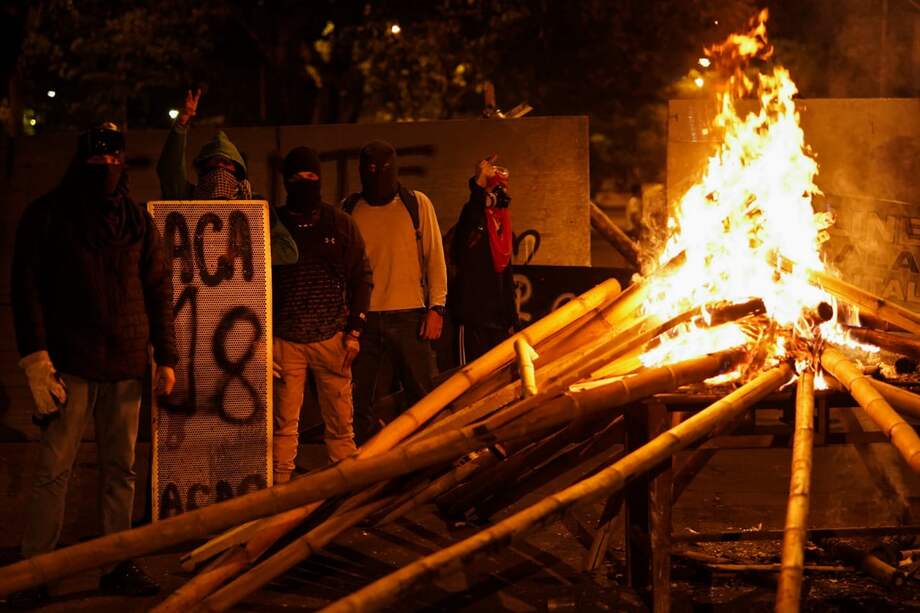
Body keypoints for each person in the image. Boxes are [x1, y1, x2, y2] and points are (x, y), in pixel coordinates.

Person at [10, 123, 177, 606]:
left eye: (114, 160)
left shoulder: (137, 220)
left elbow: (158, 289)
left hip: (125, 366)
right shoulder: (48, 216)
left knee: (120, 469)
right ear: (82, 161)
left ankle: (116, 563)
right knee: (54, 469)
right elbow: (27, 291)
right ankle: (36, 569)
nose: (106, 169)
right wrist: (36, 358)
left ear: (123, 163)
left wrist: (165, 356)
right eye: (97, 161)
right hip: (71, 365)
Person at [271, 147, 373, 481]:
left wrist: (354, 331)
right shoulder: (272, 224)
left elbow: (361, 276)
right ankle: (277, 498)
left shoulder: (339, 223)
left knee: (341, 426)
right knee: (284, 427)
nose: (305, 183)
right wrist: (264, 340)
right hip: (286, 343)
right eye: (297, 177)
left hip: (333, 340)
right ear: (286, 181)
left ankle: (344, 492)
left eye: (311, 177)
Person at [342, 140, 447, 445]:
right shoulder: (350, 209)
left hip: (409, 316)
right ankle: (369, 462)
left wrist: (436, 307)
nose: (376, 176)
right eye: (370, 170)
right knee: (355, 401)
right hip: (364, 321)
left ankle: (428, 456)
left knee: (424, 397)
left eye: (382, 170)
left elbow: (434, 257)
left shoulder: (416, 204)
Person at [450, 154, 519, 362]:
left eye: (503, 190)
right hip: (474, 320)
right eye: (497, 190)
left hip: (498, 323)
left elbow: (506, 275)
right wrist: (479, 184)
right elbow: (467, 224)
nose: (502, 196)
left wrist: (513, 321)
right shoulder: (473, 220)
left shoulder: (503, 227)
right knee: (468, 380)